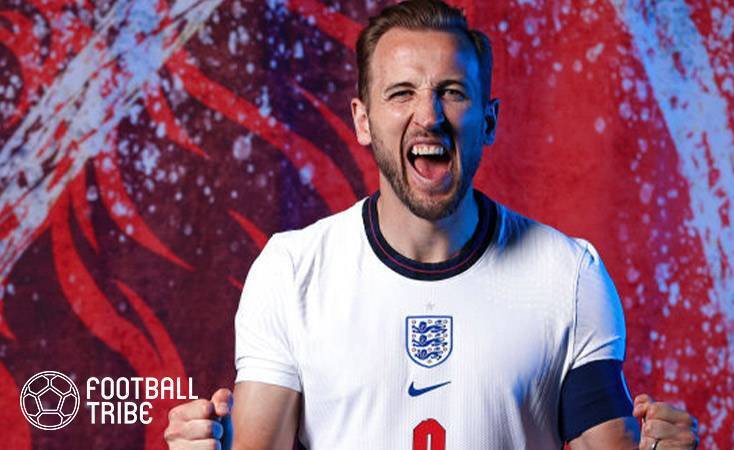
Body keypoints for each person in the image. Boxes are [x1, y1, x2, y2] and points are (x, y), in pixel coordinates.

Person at [164, 1, 699, 449]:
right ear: (363, 120)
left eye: (453, 91)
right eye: (401, 93)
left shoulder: (568, 275)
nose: (429, 115)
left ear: (488, 121)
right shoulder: (292, 271)